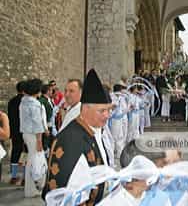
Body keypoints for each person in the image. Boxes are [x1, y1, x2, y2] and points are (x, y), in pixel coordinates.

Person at [42, 69, 113, 204]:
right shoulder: (70, 140)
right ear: (86, 109)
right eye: (102, 111)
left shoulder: (94, 129)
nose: (107, 115)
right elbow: (69, 190)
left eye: (109, 110)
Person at [19, 78, 47, 197]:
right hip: (33, 135)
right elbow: (37, 123)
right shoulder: (34, 104)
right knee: (34, 161)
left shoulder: (23, 101)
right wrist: (39, 140)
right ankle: (31, 189)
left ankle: (31, 188)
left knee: (31, 160)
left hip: (26, 133)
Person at [7, 80, 26, 184]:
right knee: (25, 154)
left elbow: (10, 117)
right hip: (24, 130)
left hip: (14, 131)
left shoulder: (11, 101)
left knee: (15, 152)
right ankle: (24, 178)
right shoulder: (25, 101)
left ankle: (14, 176)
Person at [110, 81, 129, 160]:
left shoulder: (121, 97)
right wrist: (114, 107)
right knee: (114, 138)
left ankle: (120, 154)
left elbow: (123, 109)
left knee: (120, 136)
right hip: (114, 120)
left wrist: (127, 109)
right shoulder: (112, 97)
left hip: (120, 119)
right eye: (121, 90)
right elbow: (111, 109)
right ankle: (112, 155)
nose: (122, 92)